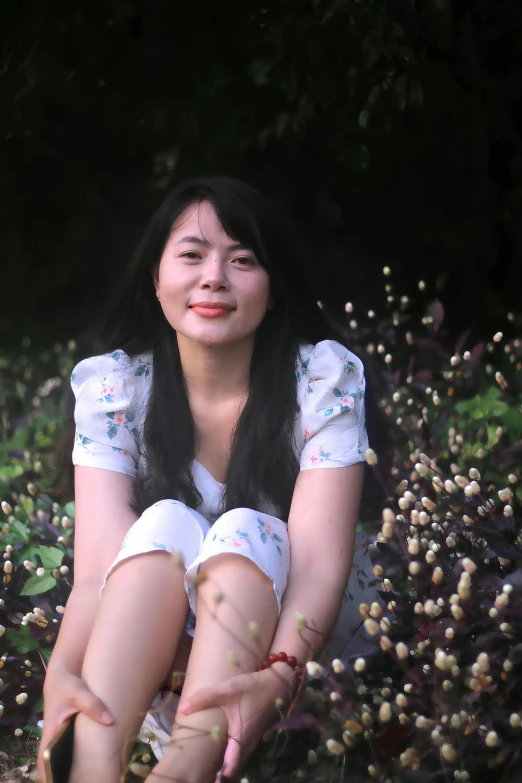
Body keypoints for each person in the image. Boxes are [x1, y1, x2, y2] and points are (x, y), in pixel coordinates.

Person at [37, 177, 383, 783]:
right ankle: (91, 764)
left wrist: (278, 676)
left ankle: (187, 768)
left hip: (292, 652)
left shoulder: (321, 381)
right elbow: (98, 568)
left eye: (243, 259)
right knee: (164, 523)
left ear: (274, 288)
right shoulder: (117, 390)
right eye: (192, 255)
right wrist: (61, 673)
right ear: (155, 277)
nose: (215, 277)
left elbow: (318, 570)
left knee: (247, 529)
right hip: (154, 654)